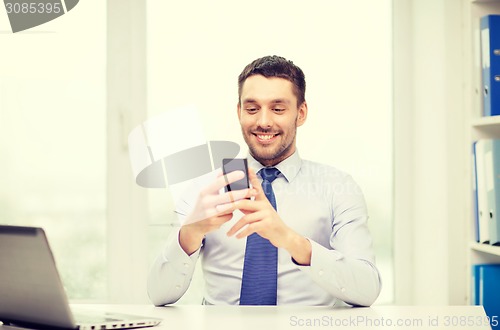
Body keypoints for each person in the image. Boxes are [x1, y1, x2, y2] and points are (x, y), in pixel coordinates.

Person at [147, 55, 381, 306]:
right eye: (252, 109)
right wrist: (191, 231)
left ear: (300, 113)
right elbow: (159, 295)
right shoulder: (205, 189)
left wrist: (290, 241)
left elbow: (367, 289)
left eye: (278, 109)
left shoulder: (338, 188)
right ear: (239, 112)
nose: (263, 122)